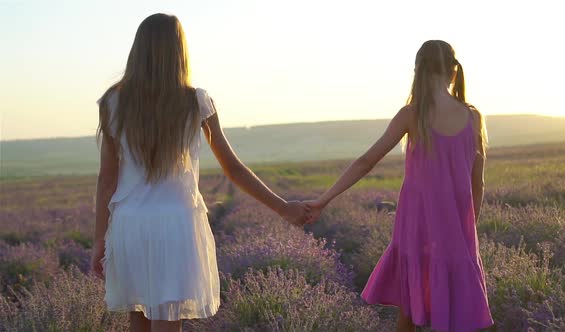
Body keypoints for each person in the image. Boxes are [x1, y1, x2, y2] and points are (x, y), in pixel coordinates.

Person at [89, 13, 309, 332]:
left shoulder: (113, 102)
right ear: (179, 51)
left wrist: (100, 240)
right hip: (177, 224)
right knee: (167, 321)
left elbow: (106, 179)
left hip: (130, 225)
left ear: (137, 50)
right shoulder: (196, 101)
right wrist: (283, 207)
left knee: (138, 319)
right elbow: (232, 168)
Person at [305, 40, 494, 332]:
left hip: (415, 228)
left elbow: (367, 161)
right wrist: (467, 232)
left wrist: (323, 199)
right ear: (454, 72)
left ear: (417, 72)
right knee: (456, 314)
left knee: (409, 309)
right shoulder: (473, 117)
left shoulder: (412, 115)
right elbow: (477, 184)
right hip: (457, 233)